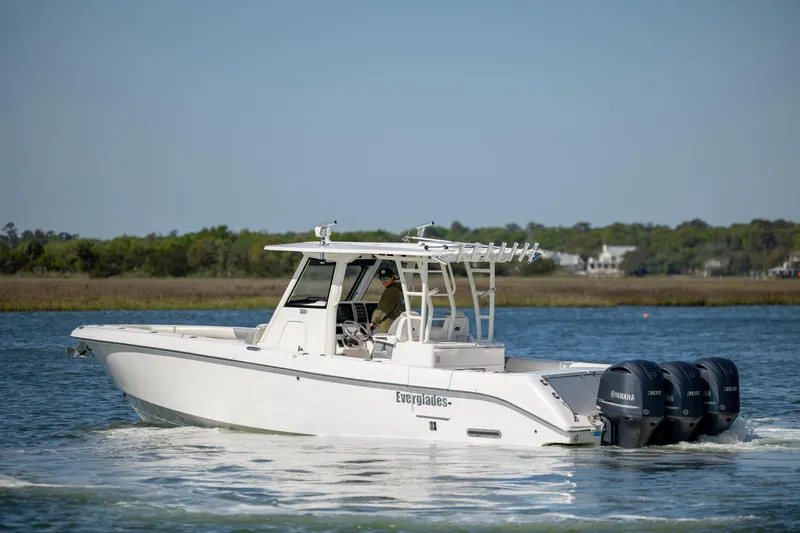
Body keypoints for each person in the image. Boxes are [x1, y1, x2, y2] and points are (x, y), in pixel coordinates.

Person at [369, 267, 403, 334]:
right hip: (393, 327)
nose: (383, 281)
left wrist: (374, 322)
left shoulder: (391, 291)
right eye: (381, 278)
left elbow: (382, 309)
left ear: (392, 277)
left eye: (386, 278)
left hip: (388, 328)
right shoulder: (396, 289)